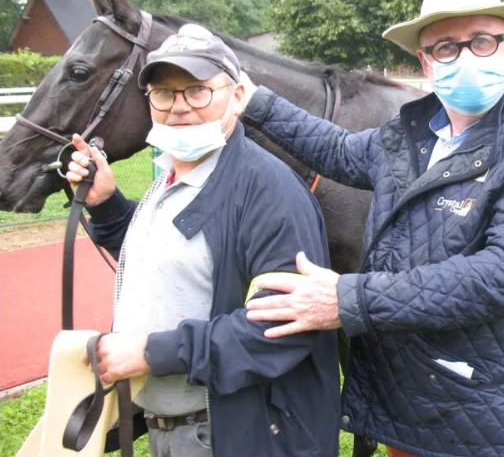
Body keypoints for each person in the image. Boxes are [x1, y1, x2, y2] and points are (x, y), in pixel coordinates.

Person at [240, 0, 504, 457]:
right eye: (446, 47)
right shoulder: (410, 134)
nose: (466, 57)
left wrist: (347, 300)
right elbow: (340, 150)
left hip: (477, 411)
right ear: (426, 63)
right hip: (404, 402)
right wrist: (253, 101)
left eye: (482, 42)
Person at [65, 24, 339, 457]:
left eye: (197, 91)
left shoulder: (269, 190)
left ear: (235, 95)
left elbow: (282, 328)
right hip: (171, 431)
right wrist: (106, 205)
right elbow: (170, 262)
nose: (179, 107)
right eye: (164, 93)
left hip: (237, 434)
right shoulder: (171, 176)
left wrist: (153, 353)